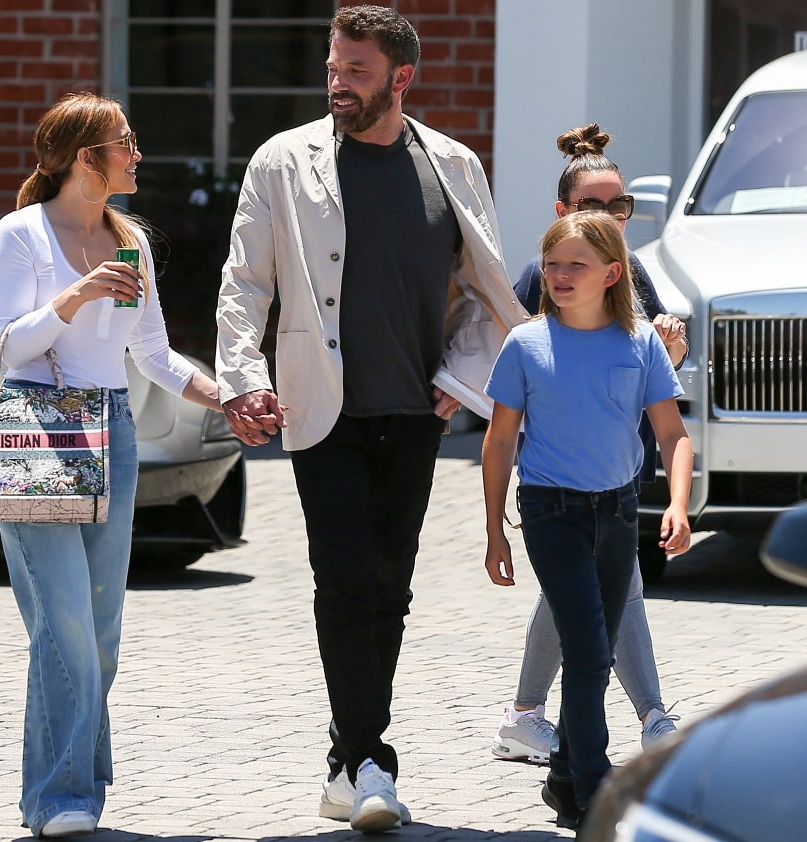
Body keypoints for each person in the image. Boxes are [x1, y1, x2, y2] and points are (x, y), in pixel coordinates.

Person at [215, 5, 528, 834]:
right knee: (346, 578)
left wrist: (458, 383)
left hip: (414, 413)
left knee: (390, 585)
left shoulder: (452, 164)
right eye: (333, 67)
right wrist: (241, 379)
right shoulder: (284, 161)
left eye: (357, 70)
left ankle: (346, 762)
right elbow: (245, 283)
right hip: (323, 410)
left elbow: (484, 296)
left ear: (401, 78)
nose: (339, 83)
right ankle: (371, 758)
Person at [0, 92, 222, 839]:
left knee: (102, 629)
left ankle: (75, 783)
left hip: (110, 428)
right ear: (87, 158)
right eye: (126, 142)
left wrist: (228, 397)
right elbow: (10, 347)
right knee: (63, 625)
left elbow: (151, 352)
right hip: (34, 432)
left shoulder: (129, 239)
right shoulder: (20, 235)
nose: (138, 153)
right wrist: (76, 294)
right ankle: (60, 799)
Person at [482, 210, 693, 829]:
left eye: (576, 264)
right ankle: (598, 789)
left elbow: (672, 433)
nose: (559, 275)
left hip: (618, 509)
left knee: (594, 652)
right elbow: (498, 443)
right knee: (585, 641)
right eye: (551, 264)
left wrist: (678, 505)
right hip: (551, 510)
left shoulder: (641, 343)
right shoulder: (525, 344)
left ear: (612, 273)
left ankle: (566, 778)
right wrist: (495, 528)